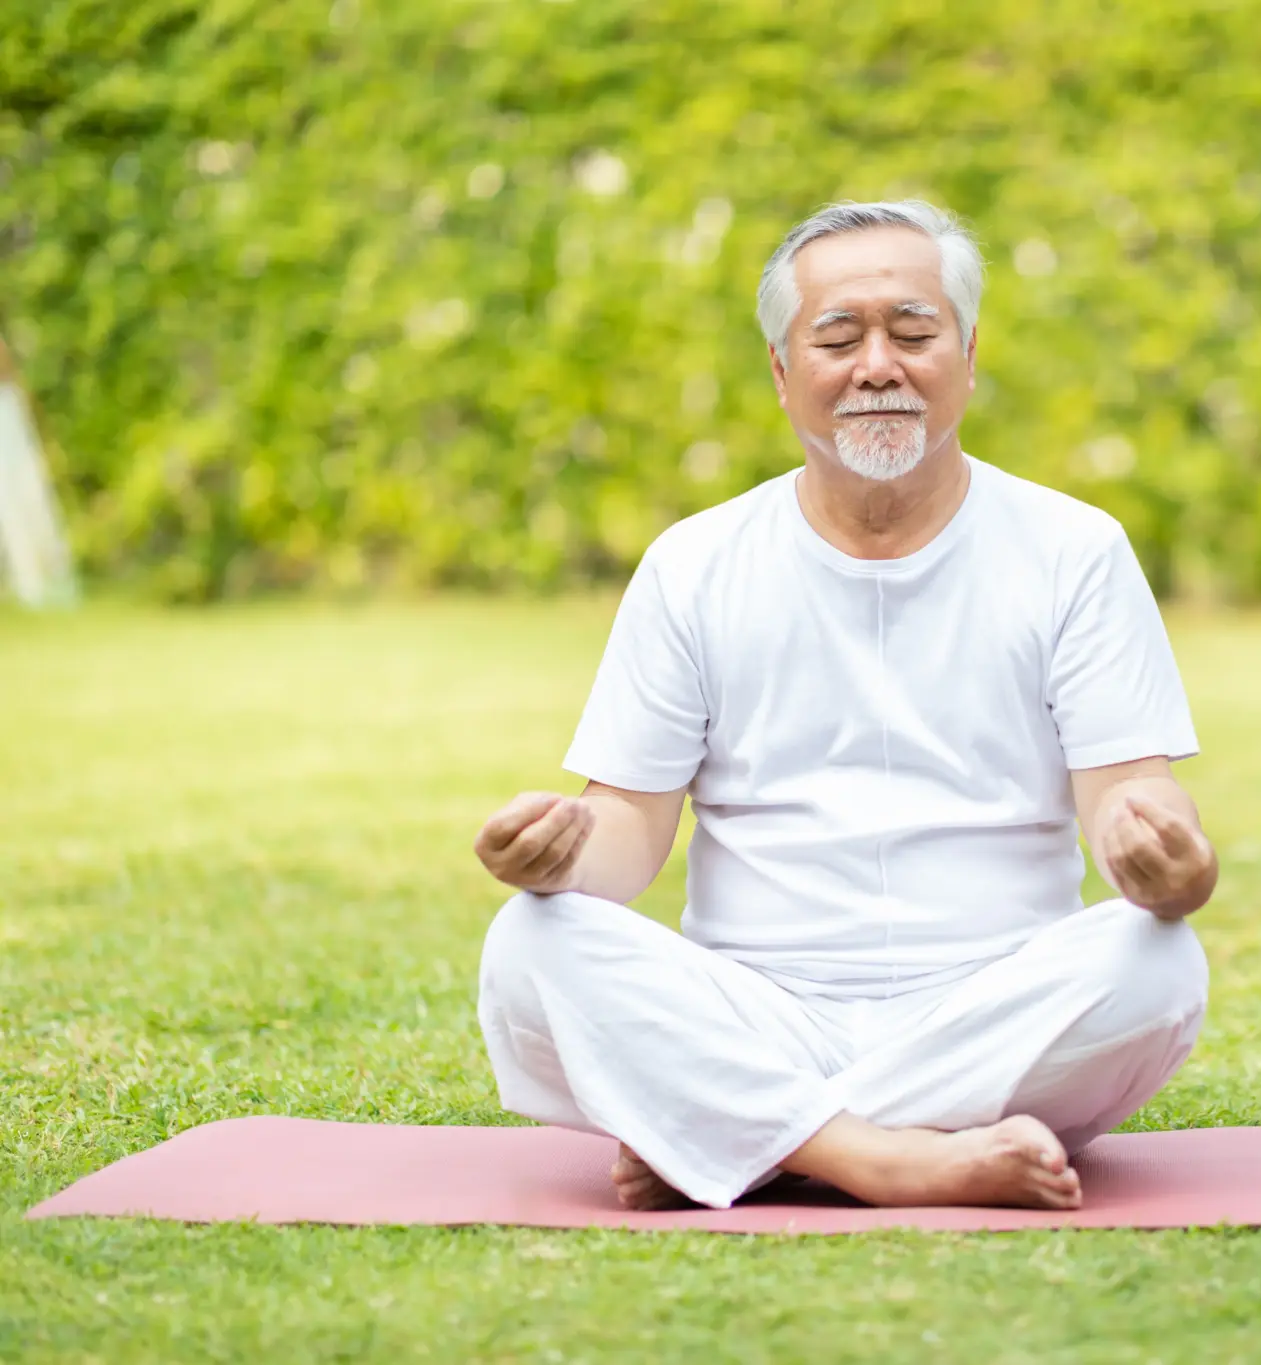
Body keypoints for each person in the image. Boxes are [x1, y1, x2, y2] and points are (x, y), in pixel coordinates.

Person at [471, 200, 1219, 1213]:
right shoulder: (693, 564)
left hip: (991, 1008)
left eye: (913, 334)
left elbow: (1133, 797)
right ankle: (886, 1157)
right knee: (531, 940)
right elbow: (626, 828)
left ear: (966, 355)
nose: (877, 366)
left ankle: (753, 1138)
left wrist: (1171, 867)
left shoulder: (1072, 550)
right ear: (783, 373)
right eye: (837, 338)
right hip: (756, 1012)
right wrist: (561, 853)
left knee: (1155, 962)